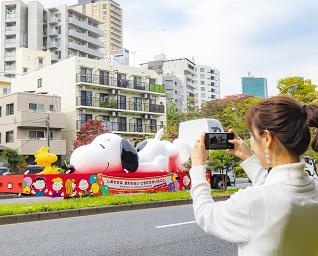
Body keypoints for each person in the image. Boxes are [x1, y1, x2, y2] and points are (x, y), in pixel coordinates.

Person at [190, 96, 318, 256]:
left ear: (267, 138)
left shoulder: (253, 202)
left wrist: (197, 165)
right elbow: (278, 191)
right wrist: (249, 159)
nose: (251, 142)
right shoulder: (314, 188)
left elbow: (206, 214)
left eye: (252, 136)